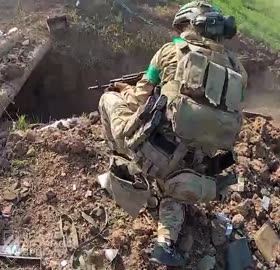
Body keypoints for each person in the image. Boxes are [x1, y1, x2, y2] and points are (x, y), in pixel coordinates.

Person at [98, 1, 248, 267]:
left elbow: (139, 96)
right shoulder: (237, 70)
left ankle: (120, 159)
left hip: (155, 157)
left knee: (109, 99)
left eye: (182, 28)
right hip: (198, 170)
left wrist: (123, 89)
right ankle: (164, 244)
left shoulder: (170, 51)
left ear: (191, 25)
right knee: (173, 190)